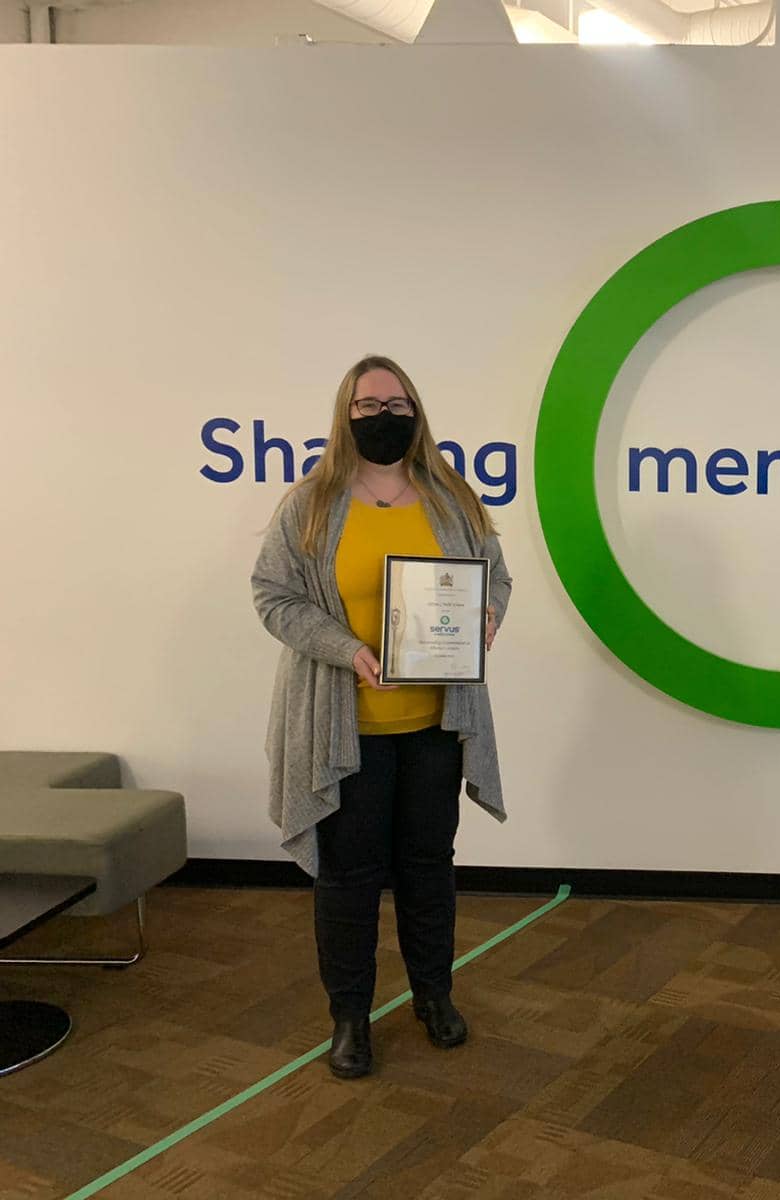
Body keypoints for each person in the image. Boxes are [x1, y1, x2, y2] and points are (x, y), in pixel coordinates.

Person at [252, 355, 513, 1079]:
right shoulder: (309, 503)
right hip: (345, 731)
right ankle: (350, 1017)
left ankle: (434, 996)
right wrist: (344, 648)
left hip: (434, 726)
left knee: (430, 868)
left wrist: (487, 612)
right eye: (368, 406)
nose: (383, 416)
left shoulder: (452, 498)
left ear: (417, 411)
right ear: (345, 415)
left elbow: (496, 577)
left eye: (396, 403)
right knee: (349, 877)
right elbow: (273, 596)